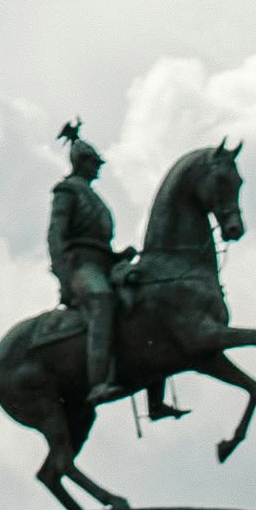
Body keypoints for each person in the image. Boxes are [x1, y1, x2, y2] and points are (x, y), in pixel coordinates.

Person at [48, 121, 175, 418]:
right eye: (95, 163)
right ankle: (98, 382)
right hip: (81, 268)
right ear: (83, 162)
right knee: (103, 300)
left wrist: (119, 255)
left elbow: (98, 242)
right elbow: (56, 236)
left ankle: (155, 401)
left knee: (149, 300)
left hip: (105, 264)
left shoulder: (92, 196)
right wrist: (65, 276)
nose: (99, 168)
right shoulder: (66, 191)